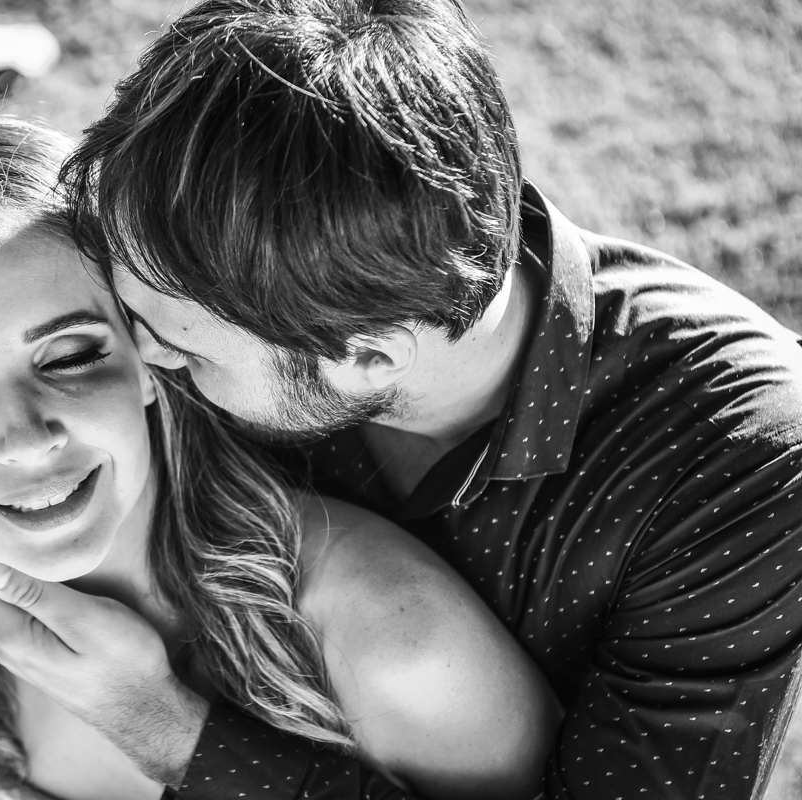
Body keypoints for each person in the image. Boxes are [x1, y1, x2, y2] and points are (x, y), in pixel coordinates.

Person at [39, 0, 802, 798]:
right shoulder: (267, 302)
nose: (145, 361)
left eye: (185, 350)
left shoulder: (737, 465)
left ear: (367, 357)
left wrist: (172, 736)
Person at [0, 110, 560, 800]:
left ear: (149, 363)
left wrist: (167, 731)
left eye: (69, 357)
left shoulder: (391, 642)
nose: (27, 437)